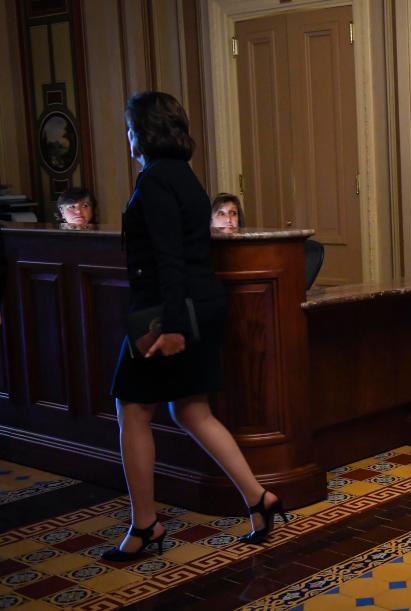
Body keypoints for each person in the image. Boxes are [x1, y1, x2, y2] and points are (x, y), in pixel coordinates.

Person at [104, 91, 286, 561]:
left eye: (129, 127)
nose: (126, 135)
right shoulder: (183, 176)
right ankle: (259, 500)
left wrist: (172, 326)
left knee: (133, 409)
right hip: (192, 305)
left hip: (166, 313)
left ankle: (145, 526)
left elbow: (168, 259)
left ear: (144, 131)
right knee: (191, 411)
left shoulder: (157, 181)